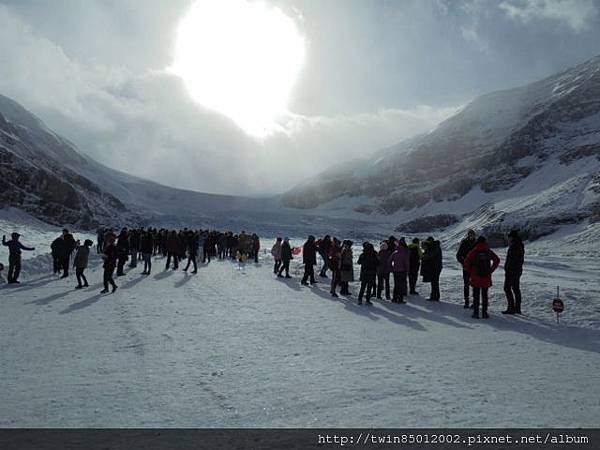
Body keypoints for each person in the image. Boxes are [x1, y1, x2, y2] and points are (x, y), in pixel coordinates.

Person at [464, 236, 500, 319]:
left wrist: (471, 271)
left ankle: (476, 313)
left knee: (476, 295)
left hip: (475, 277)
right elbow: (497, 260)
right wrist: (491, 270)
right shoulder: (488, 251)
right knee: (485, 295)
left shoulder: (473, 252)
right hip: (486, 277)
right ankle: (484, 313)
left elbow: (466, 263)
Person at [503, 229, 525, 314]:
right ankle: (517, 308)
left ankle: (511, 307)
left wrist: (507, 269)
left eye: (509, 237)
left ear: (512, 237)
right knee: (516, 288)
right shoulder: (519, 244)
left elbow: (512, 260)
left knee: (507, 288)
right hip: (517, 270)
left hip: (511, 271)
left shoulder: (514, 246)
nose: (508, 239)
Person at [456, 229, 477, 308]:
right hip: (466, 268)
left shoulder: (477, 243)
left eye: (473, 235)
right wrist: (464, 263)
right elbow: (458, 255)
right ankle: (466, 301)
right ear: (468, 235)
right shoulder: (464, 243)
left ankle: (475, 302)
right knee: (466, 285)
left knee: (475, 285)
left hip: (475, 268)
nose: (471, 236)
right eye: (470, 235)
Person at [421, 237, 443, 301]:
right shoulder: (432, 247)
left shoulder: (435, 247)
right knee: (434, 282)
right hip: (434, 267)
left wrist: (423, 257)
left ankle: (435, 296)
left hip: (436, 267)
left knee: (434, 282)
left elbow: (430, 255)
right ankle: (435, 296)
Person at [389, 238, 410, 303]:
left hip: (395, 270)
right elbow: (406, 262)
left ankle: (394, 298)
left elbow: (389, 261)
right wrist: (407, 269)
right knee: (401, 285)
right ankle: (400, 299)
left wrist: (392, 268)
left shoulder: (394, 253)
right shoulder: (405, 253)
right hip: (402, 270)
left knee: (396, 285)